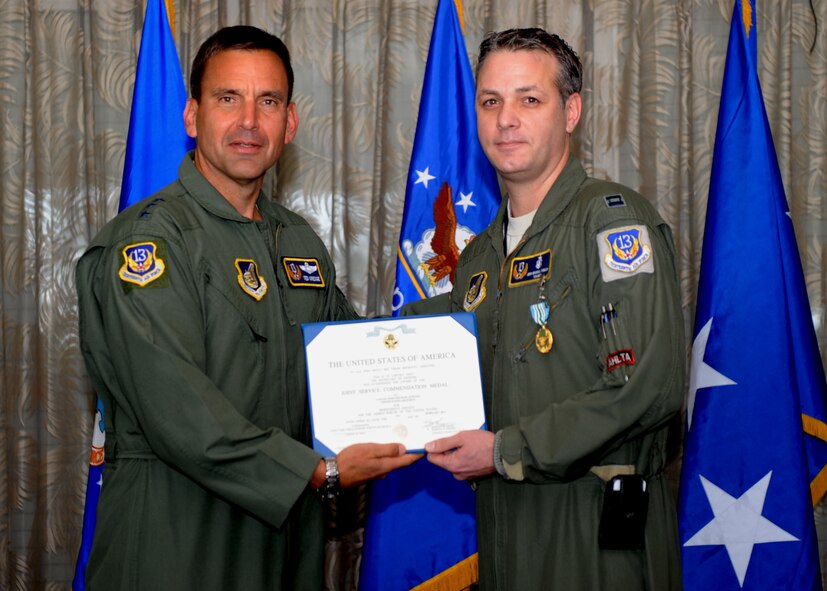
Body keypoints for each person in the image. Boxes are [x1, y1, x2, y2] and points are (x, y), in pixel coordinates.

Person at [75, 25, 417, 590]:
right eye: (228, 98)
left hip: (286, 537)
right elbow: (181, 412)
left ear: (290, 123)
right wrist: (319, 471)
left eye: (269, 102)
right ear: (192, 116)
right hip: (177, 534)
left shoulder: (297, 240)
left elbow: (355, 358)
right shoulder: (150, 243)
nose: (249, 122)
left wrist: (462, 326)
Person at [422, 28, 684, 589]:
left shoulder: (611, 222)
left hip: (594, 533)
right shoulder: (479, 258)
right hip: (503, 528)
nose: (505, 119)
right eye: (490, 101)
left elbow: (646, 387)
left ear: (571, 111)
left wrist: (506, 451)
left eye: (529, 99)